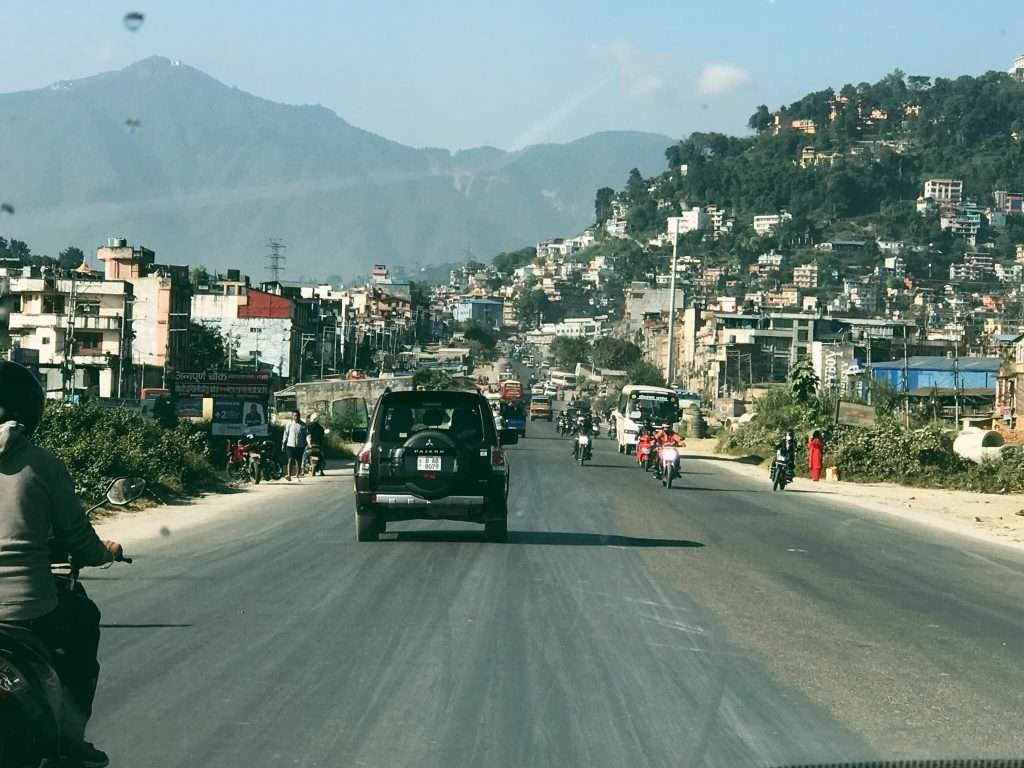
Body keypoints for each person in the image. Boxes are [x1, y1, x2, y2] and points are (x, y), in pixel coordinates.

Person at [0, 360, 124, 768]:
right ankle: (71, 740)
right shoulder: (43, 463)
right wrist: (102, 553)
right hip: (25, 610)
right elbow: (79, 541)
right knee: (83, 617)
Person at [281, 410, 307, 481]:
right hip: (290, 445)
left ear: (299, 416)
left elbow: (307, 434)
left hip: (300, 445)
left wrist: (308, 441)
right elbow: (285, 434)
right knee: (290, 459)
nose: (296, 417)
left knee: (298, 461)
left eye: (297, 415)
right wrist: (283, 443)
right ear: (292, 416)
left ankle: (297, 475)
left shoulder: (303, 425)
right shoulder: (289, 424)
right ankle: (289, 475)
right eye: (295, 415)